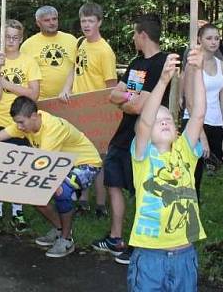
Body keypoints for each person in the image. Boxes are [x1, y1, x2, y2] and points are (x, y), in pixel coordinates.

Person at [92, 13, 168, 265]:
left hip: (145, 138)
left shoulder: (161, 64)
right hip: (123, 135)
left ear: (143, 35)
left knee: (141, 191)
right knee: (113, 180)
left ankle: (139, 243)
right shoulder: (136, 63)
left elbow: (140, 107)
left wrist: (129, 102)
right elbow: (115, 95)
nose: (133, 38)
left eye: (135, 34)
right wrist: (130, 100)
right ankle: (116, 238)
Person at [128, 48, 206, 291]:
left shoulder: (184, 151)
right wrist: (163, 80)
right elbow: (145, 121)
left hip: (185, 254)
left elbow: (199, 114)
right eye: (158, 120)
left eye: (169, 120)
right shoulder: (142, 155)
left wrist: (199, 71)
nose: (164, 122)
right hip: (150, 256)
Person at [0, 96, 102, 258]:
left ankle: (66, 239)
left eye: (22, 122)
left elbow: (41, 166)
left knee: (60, 190)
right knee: (30, 195)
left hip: (86, 164)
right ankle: (59, 229)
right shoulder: (25, 123)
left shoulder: (52, 129)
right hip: (60, 164)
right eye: (17, 123)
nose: (19, 127)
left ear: (34, 116)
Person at [60, 1, 117, 215]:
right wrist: (66, 88)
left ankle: (101, 205)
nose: (86, 25)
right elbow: (74, 69)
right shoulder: (81, 43)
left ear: (99, 22)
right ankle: (83, 199)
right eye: (83, 21)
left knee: (99, 159)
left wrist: (105, 119)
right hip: (79, 109)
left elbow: (110, 88)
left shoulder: (105, 51)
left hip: (97, 113)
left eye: (91, 21)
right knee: (82, 156)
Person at [182, 23, 223, 227]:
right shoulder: (192, 65)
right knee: (193, 177)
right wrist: (202, 138)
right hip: (194, 124)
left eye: (217, 38)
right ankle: (191, 223)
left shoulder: (222, 65)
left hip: (216, 124)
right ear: (199, 40)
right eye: (209, 38)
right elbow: (189, 101)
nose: (214, 42)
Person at [0, 19, 41, 234]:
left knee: (19, 169)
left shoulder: (29, 62)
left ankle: (18, 211)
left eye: (15, 38)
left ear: (21, 39)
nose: (11, 41)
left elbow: (33, 94)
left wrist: (9, 84)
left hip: (21, 123)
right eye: (7, 37)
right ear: (2, 38)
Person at [20, 5, 77, 100]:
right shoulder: (28, 45)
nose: (52, 23)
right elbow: (23, 77)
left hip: (71, 98)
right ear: (38, 23)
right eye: (47, 20)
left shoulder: (71, 40)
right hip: (41, 101)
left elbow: (79, 67)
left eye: (54, 19)